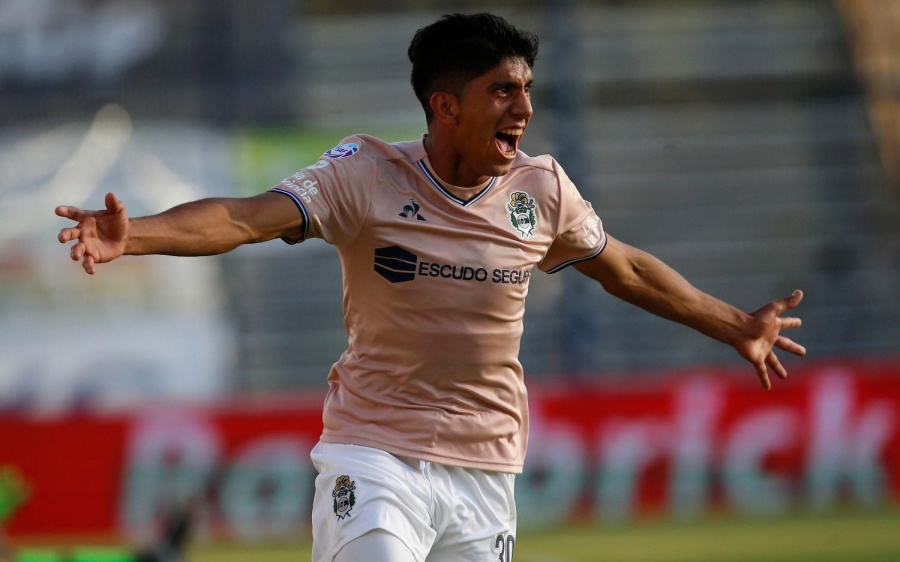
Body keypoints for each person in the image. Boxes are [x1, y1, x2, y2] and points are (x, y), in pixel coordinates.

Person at [55, 12, 805, 562]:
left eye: (528, 89)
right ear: (446, 105)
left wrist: (736, 325)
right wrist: (135, 234)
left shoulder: (541, 191)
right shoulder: (365, 174)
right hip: (375, 455)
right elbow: (246, 218)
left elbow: (625, 269)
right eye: (503, 90)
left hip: (487, 471)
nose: (525, 109)